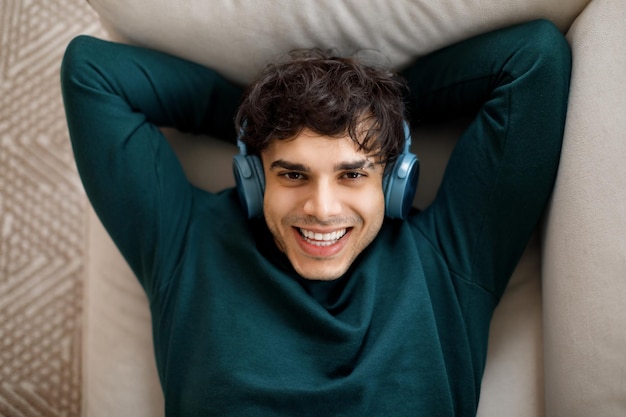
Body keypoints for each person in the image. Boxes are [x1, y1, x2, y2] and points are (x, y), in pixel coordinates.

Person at [61, 19, 571, 416]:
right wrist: (264, 120)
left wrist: (373, 111)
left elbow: (534, 60)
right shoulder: (188, 244)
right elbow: (92, 72)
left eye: (352, 175)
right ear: (254, 178)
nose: (322, 209)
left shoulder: (450, 256)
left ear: (393, 184)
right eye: (292, 174)